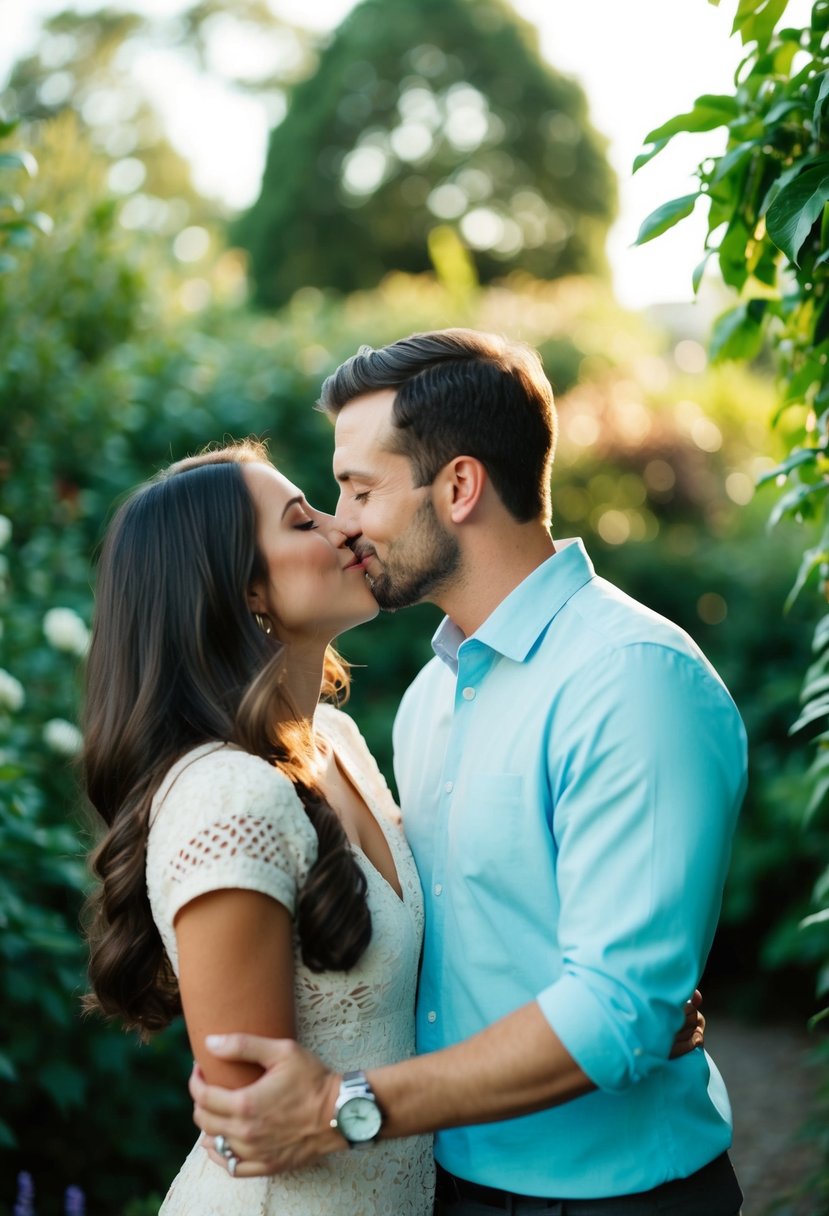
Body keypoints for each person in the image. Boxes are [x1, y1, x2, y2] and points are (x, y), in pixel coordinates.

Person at [190, 329, 747, 1215]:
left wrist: (348, 1109)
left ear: (457, 486)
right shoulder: (429, 699)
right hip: (442, 1190)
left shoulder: (633, 679)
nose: (344, 523)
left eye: (361, 489)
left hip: (615, 1197)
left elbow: (618, 1012)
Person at [81, 440, 435, 1214]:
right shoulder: (227, 799)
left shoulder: (336, 745)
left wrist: (594, 1016)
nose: (344, 528)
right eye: (302, 522)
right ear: (247, 595)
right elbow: (251, 1128)